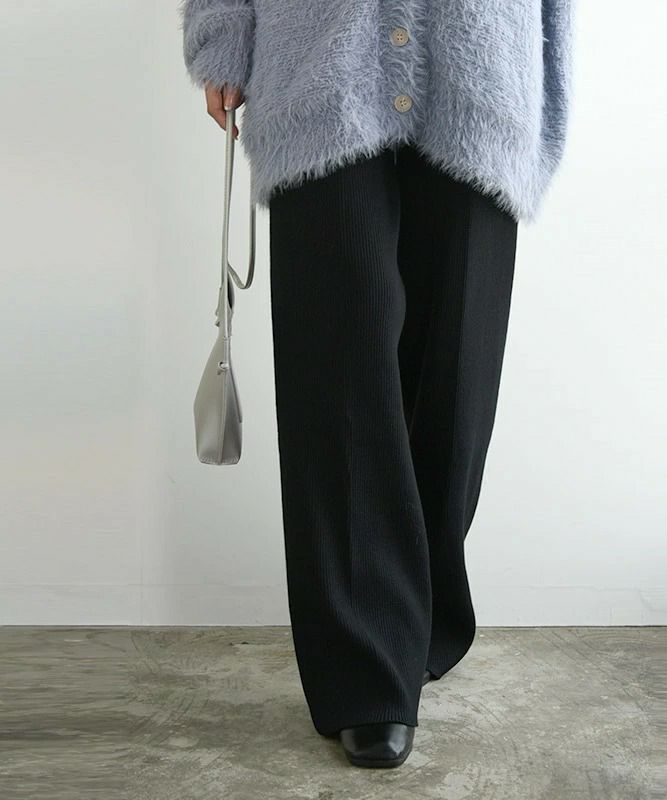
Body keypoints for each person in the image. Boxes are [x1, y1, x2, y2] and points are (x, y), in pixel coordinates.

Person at [180, 0, 575, 769]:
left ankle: (421, 611)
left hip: (483, 60)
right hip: (319, 60)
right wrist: (221, 31)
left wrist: (547, 72)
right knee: (339, 360)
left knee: (456, 372)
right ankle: (365, 669)